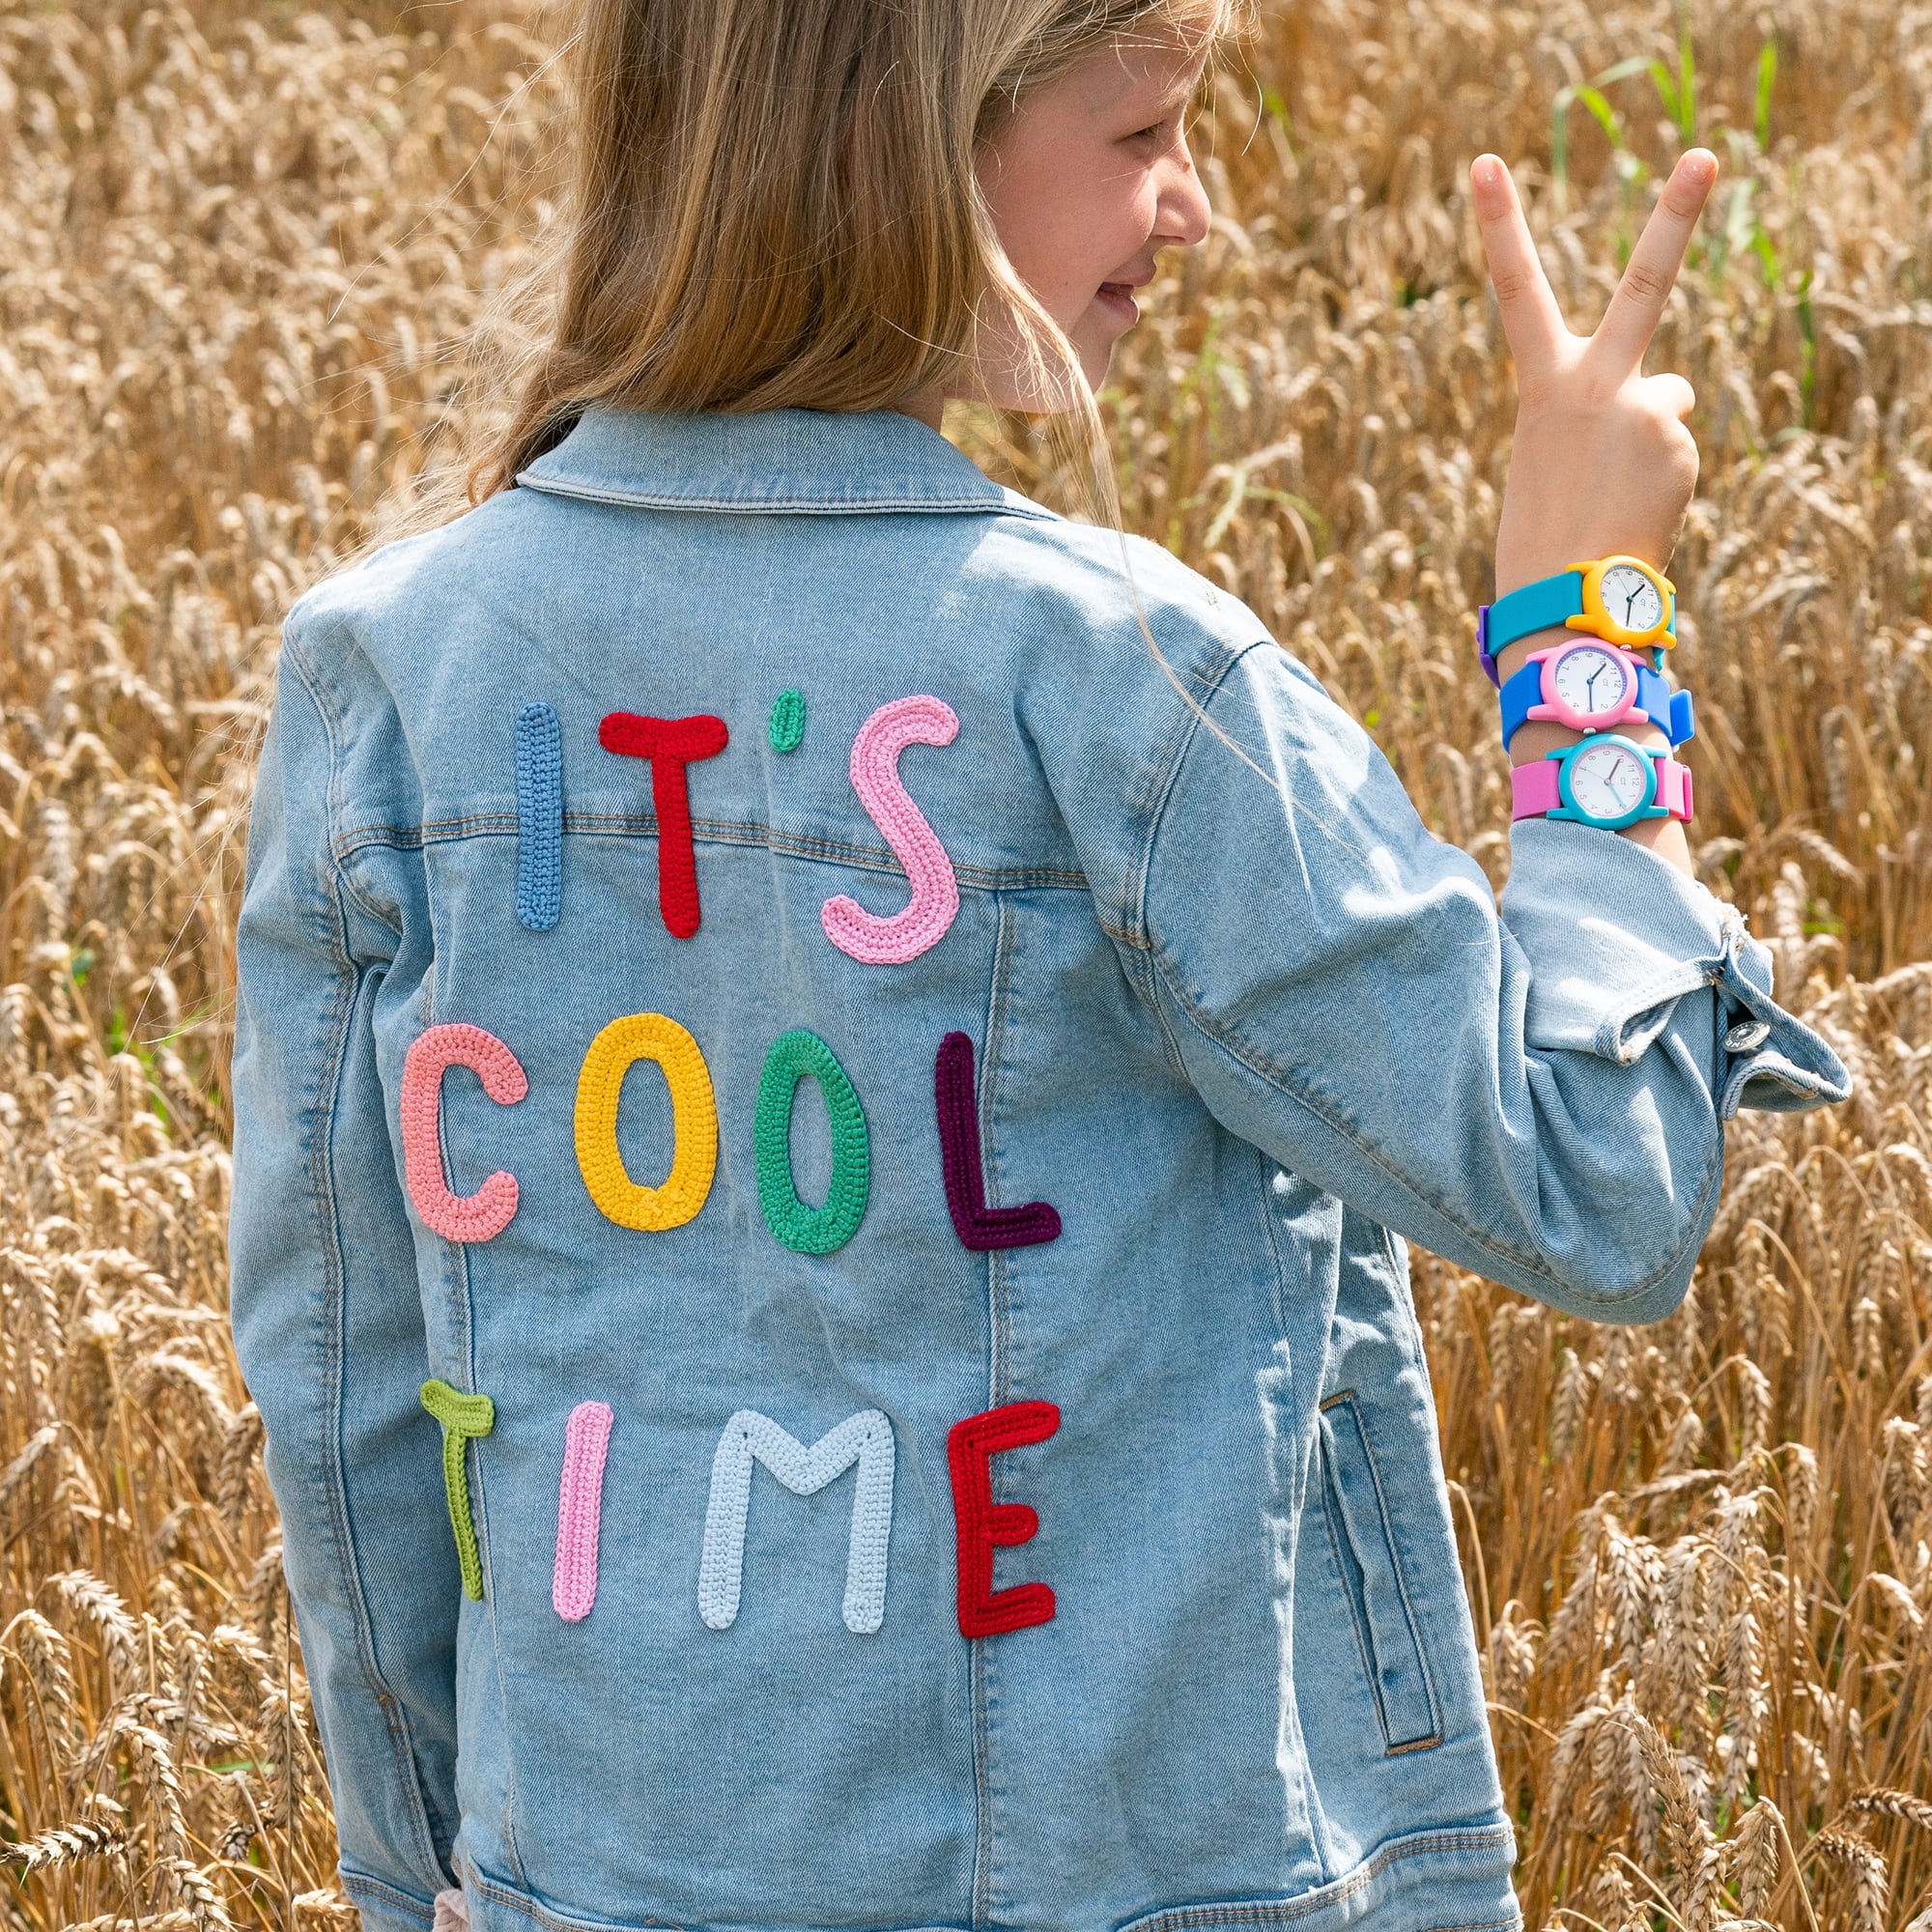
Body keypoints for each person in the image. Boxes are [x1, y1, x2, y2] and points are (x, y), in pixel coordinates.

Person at [227, 3, 1849, 1930]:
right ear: (897, 143)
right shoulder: (1120, 687)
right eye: (1143, 129)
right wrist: (1593, 634)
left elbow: (345, 1386)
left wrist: (446, 1869)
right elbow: (1593, 1185)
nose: (1194, 212)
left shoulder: (390, 677)